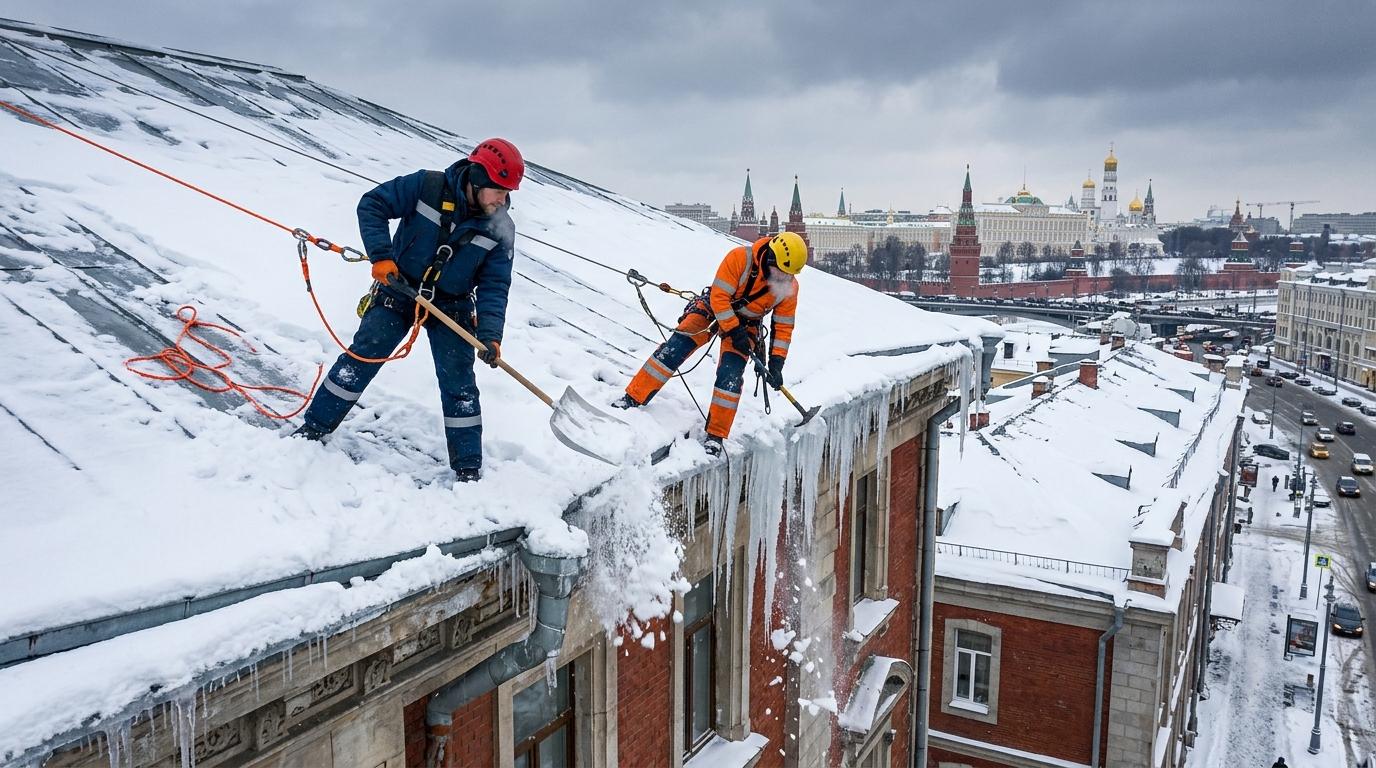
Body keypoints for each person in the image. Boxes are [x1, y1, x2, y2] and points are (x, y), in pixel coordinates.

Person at [294, 139, 523, 482]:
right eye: (498, 190)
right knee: (363, 358)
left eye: (508, 193)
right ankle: (313, 429)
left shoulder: (500, 230)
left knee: (460, 386)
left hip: (453, 307)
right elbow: (372, 205)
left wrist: (490, 335)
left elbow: (495, 285)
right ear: (475, 178)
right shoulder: (426, 186)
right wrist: (382, 256)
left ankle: (468, 469)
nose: (502, 200)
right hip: (398, 290)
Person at [614, 231, 806, 456]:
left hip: (748, 324)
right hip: (715, 309)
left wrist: (777, 362)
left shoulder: (789, 287)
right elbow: (719, 297)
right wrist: (733, 329)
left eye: (790, 275)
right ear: (771, 259)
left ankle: (716, 435)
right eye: (784, 273)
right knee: (675, 348)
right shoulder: (739, 259)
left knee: (730, 375)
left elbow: (783, 327)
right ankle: (633, 397)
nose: (786, 279)